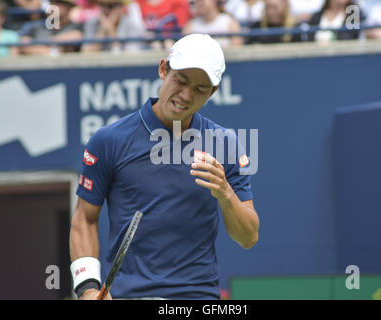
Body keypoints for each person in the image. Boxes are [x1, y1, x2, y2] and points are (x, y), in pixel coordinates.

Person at [69, 33, 259, 300]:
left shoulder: (225, 143)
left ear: (213, 92)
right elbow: (84, 219)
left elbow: (248, 237)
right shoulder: (108, 140)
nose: (185, 95)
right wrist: (88, 288)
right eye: (180, 81)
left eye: (200, 89)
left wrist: (225, 193)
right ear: (163, 69)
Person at [81, 0, 146, 53]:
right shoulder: (92, 24)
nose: (106, 10)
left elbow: (128, 59)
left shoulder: (132, 25)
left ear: (121, 7)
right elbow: (87, 53)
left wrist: (111, 31)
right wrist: (103, 30)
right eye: (102, 5)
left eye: (111, 6)